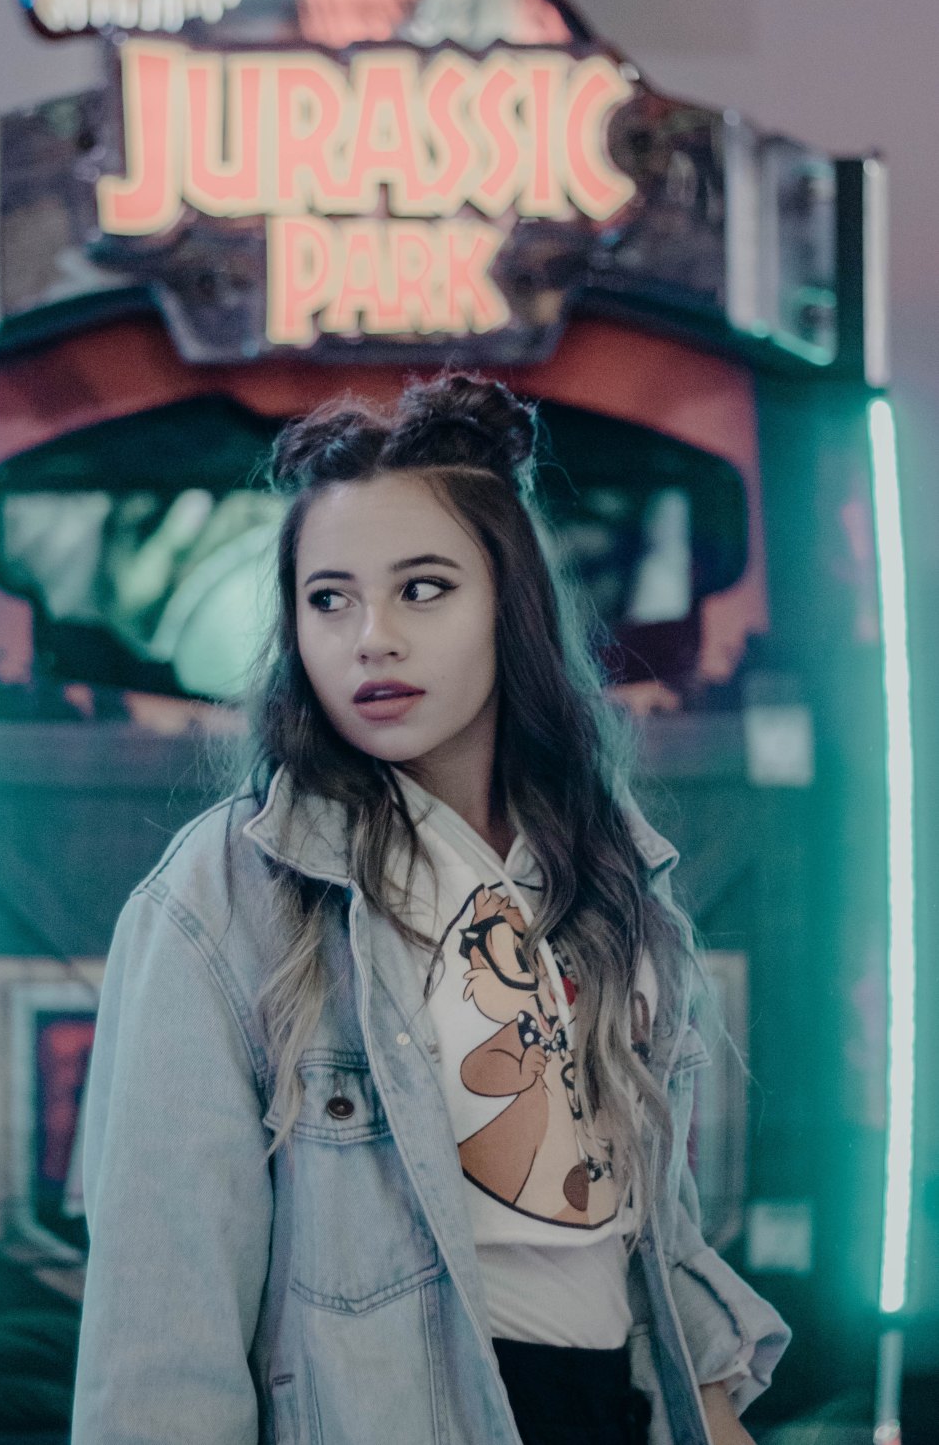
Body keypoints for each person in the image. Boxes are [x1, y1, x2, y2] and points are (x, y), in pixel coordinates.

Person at [70, 373, 790, 1445]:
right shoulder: (226, 892)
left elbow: (647, 1240)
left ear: (512, 602)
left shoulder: (604, 868)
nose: (371, 637)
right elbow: (162, 1333)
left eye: (423, 587)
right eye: (330, 598)